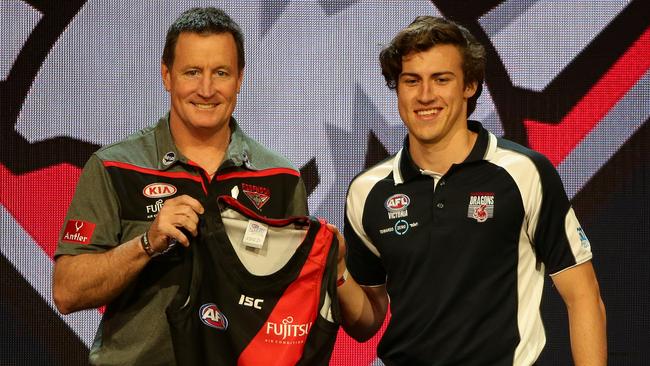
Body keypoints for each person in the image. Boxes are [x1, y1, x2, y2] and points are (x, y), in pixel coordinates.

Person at [335, 16, 607, 366]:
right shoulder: (367, 191)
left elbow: (584, 297)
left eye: (441, 79)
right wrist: (339, 270)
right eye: (411, 81)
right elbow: (366, 322)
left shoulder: (523, 172)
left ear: (470, 86)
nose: (425, 95)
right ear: (397, 88)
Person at [52, 7, 308, 365]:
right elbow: (67, 291)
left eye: (221, 72)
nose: (206, 89)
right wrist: (147, 243)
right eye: (192, 72)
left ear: (240, 79)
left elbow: (295, 303)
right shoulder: (114, 167)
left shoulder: (279, 178)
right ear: (166, 75)